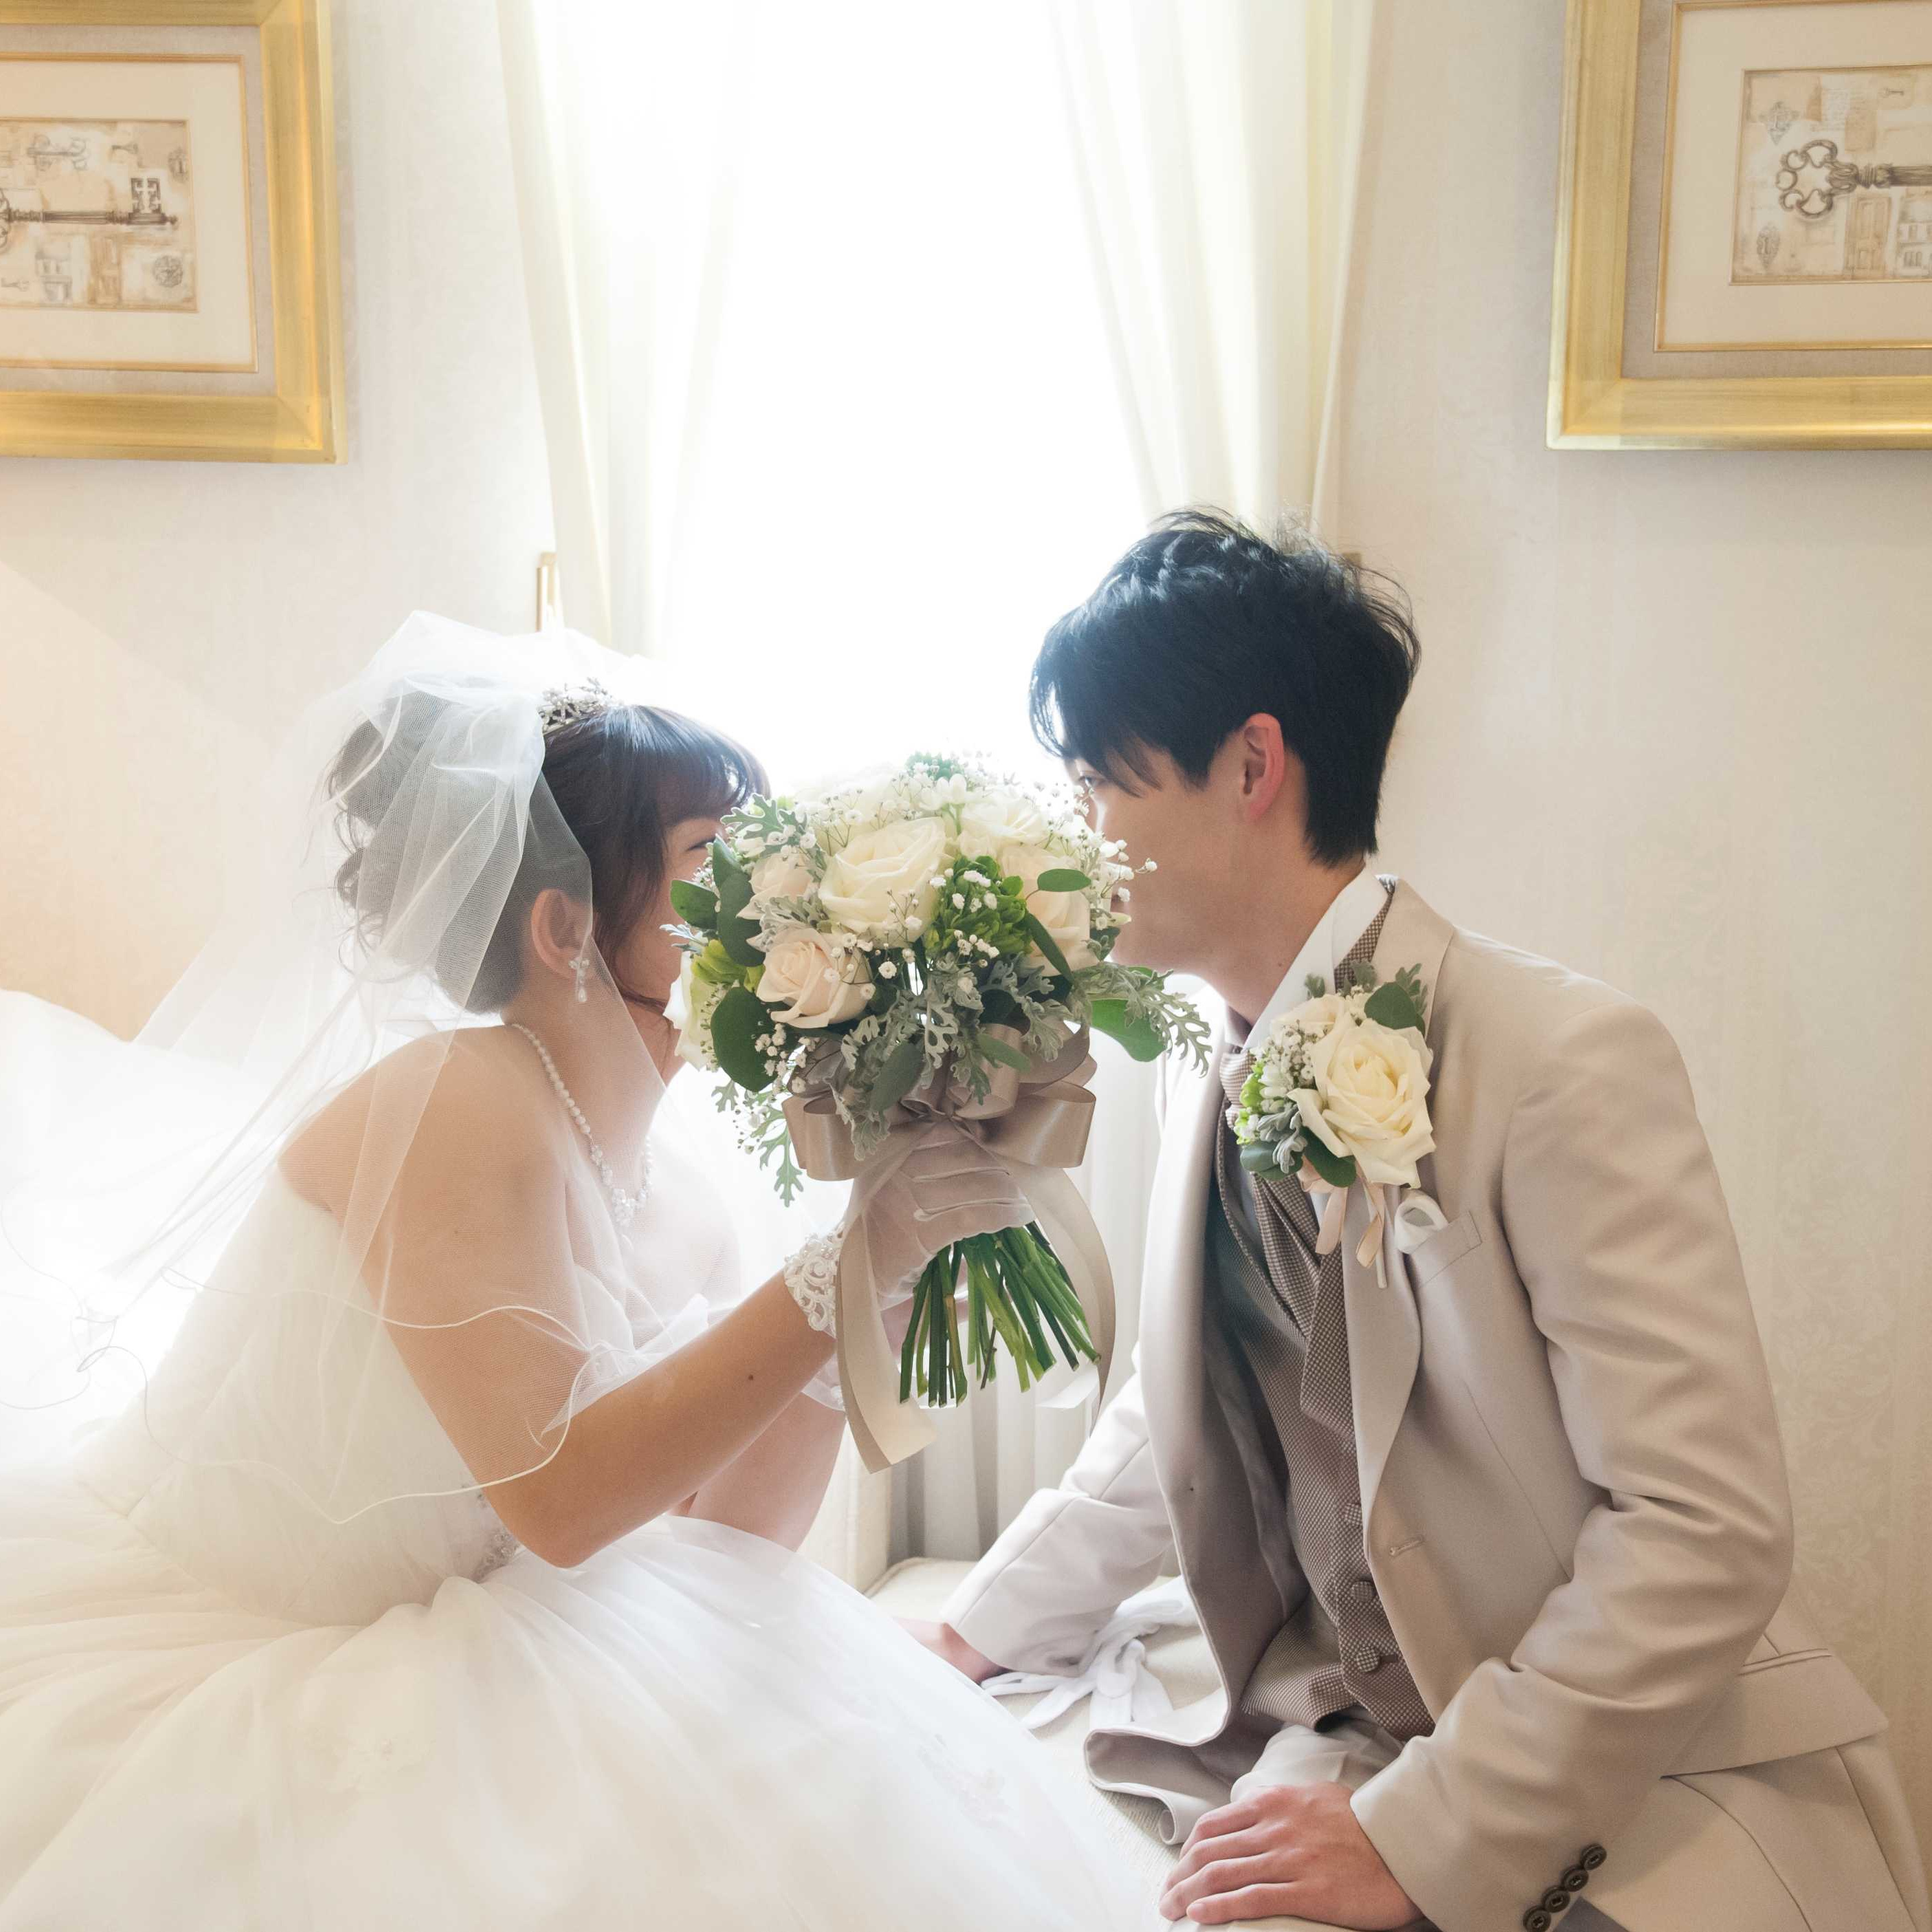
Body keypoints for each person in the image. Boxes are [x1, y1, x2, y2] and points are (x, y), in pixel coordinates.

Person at [0, 616, 1137, 1929]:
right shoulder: (454, 1100)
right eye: (715, 865)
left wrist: (871, 1296)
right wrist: (829, 1275)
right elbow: (560, 1500)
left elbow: (725, 1541)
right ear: (561, 925)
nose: (769, 910)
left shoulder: (680, 1183)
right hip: (267, 1649)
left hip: (490, 1620)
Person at [908, 512, 1930, 1932]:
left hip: (1620, 1777)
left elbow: (1705, 1528)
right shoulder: (1219, 1062)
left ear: (1250, 767)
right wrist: (974, 1630)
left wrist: (1421, 1832)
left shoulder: (1561, 1057)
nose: (1076, 842)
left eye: (1096, 786)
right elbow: (1186, 1406)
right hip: (1336, 1723)